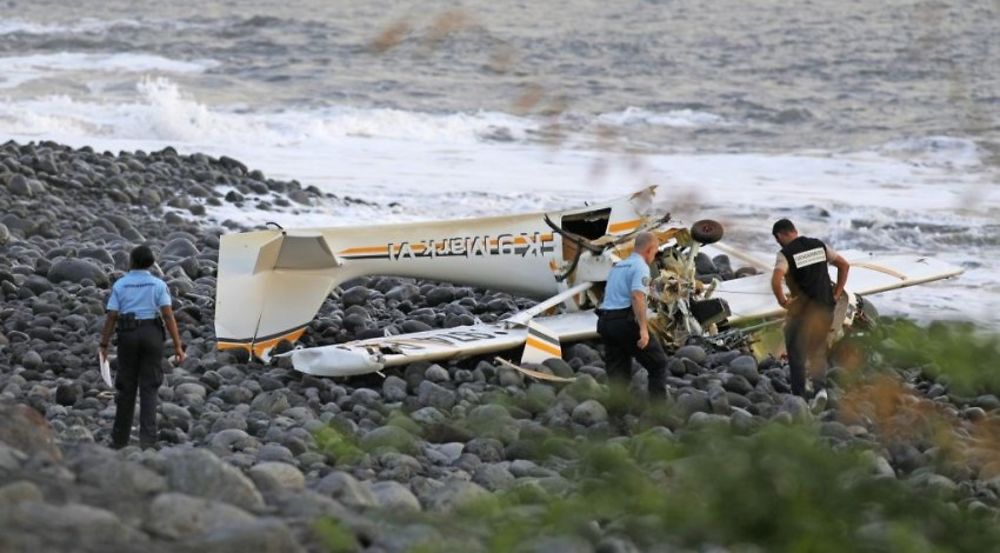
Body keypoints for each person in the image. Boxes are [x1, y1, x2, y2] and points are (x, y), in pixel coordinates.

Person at [99, 245, 185, 449]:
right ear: (150, 263)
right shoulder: (158, 284)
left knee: (126, 386)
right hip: (152, 334)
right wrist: (178, 346)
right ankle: (148, 440)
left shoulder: (121, 284)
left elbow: (112, 315)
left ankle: (119, 439)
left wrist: (104, 343)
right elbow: (167, 314)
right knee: (149, 387)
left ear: (132, 262)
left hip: (128, 335)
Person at [770, 219, 849, 398]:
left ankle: (799, 397)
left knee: (796, 353)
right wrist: (836, 294)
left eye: (777, 239)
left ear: (780, 235)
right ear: (795, 230)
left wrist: (783, 301)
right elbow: (844, 265)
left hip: (802, 311)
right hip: (826, 307)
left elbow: (776, 280)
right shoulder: (818, 246)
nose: (778, 242)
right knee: (817, 350)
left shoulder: (785, 254)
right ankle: (820, 391)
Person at [596, 231, 667, 400]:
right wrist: (643, 329)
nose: (654, 256)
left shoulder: (618, 266)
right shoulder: (641, 266)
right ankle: (659, 411)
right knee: (658, 363)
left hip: (605, 322)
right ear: (649, 250)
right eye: (655, 252)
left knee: (618, 374)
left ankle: (616, 417)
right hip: (624, 323)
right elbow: (637, 296)